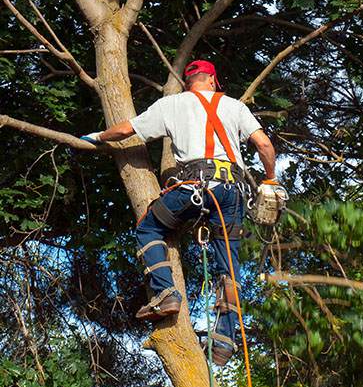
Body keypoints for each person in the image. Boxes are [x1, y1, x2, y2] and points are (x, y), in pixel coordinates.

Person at [81, 59, 280, 365]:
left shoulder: (170, 105)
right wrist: (269, 179)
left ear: (189, 83)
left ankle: (165, 294)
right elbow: (264, 145)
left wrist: (97, 137)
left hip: (194, 188)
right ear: (212, 80)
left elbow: (125, 130)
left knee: (149, 227)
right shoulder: (235, 107)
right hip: (232, 194)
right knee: (227, 265)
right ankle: (224, 340)